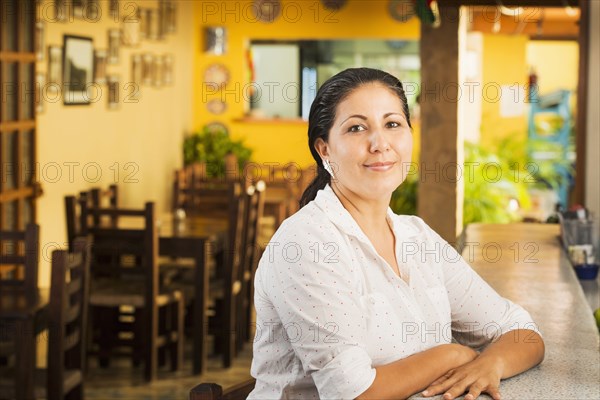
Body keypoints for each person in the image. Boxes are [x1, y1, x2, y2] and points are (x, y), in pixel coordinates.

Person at [248, 68, 545, 400]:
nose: (380, 144)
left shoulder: (417, 237)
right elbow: (354, 393)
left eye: (392, 124)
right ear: (324, 149)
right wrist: (453, 355)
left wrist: (490, 365)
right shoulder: (307, 244)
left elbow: (522, 333)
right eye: (356, 128)